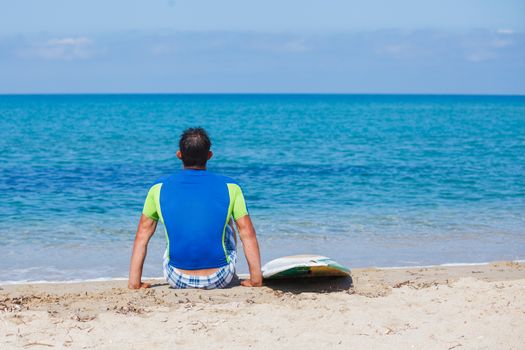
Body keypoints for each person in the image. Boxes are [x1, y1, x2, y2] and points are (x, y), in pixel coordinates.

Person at [128, 127, 262, 289]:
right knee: (228, 224)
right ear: (209, 155)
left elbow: (142, 236)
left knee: (174, 225)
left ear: (179, 155)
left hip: (176, 278)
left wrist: (134, 283)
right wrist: (255, 280)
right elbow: (248, 233)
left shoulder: (158, 188)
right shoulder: (231, 187)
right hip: (220, 277)